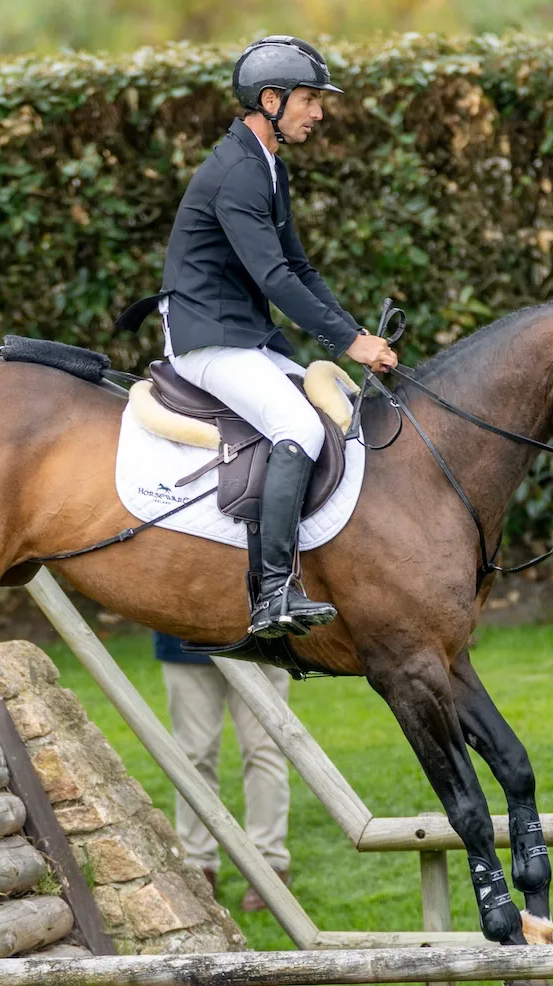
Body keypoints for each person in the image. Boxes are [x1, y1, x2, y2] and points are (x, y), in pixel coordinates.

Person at [118, 35, 398, 639]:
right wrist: (350, 344)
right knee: (296, 427)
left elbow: (299, 269)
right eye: (309, 100)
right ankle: (272, 592)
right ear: (270, 99)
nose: (319, 113)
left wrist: (352, 330)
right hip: (206, 340)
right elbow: (272, 278)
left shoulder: (267, 165)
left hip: (244, 335)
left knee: (330, 416)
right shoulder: (238, 173)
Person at [155, 631, 293, 912]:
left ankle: (270, 866)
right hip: (182, 636)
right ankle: (198, 864)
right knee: (194, 756)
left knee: (264, 750)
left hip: (260, 636)